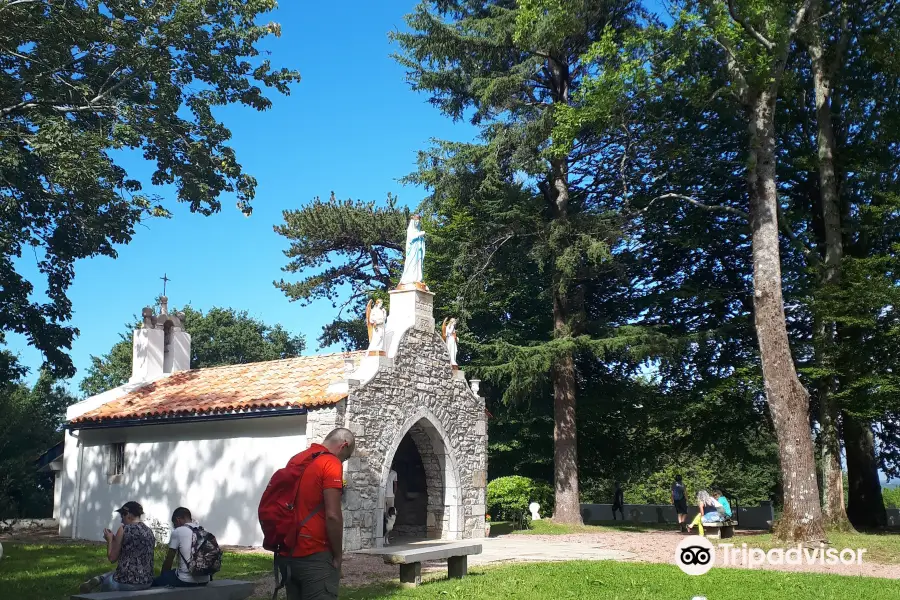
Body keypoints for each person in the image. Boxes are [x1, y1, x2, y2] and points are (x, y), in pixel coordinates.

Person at [280, 428, 356, 600]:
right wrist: (338, 556)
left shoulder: (298, 459)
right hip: (315, 554)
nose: (342, 462)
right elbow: (333, 516)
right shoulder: (330, 463)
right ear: (344, 445)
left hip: (288, 552)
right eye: (345, 458)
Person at [79, 501, 155, 593]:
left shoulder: (124, 529)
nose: (121, 520)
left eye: (122, 517)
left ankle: (99, 582)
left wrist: (110, 540)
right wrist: (116, 539)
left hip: (127, 583)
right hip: (147, 581)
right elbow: (132, 546)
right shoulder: (149, 531)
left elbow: (112, 558)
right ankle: (99, 579)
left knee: (107, 583)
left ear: (127, 514)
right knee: (114, 573)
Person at [153, 507, 210, 587]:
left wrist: (163, 576)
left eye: (174, 524)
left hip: (185, 580)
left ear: (178, 520)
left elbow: (169, 559)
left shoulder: (178, 532)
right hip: (205, 579)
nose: (174, 527)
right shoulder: (203, 530)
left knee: (155, 582)